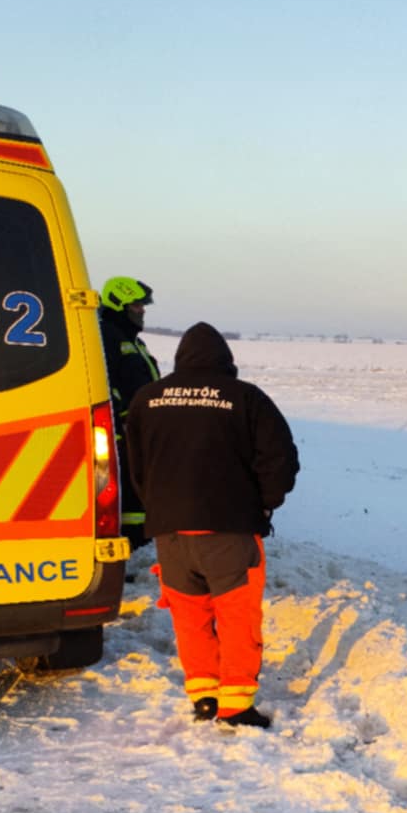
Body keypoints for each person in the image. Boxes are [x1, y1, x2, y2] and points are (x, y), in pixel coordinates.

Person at [126, 323, 299, 728]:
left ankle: (204, 696)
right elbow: (281, 459)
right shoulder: (245, 398)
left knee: (190, 618)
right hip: (229, 531)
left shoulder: (147, 398)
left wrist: (159, 506)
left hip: (170, 534)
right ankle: (235, 705)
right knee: (237, 618)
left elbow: (135, 462)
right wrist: (265, 506)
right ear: (227, 360)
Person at [97, 276, 163, 548]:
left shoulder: (134, 342)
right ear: (119, 305)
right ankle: (127, 546)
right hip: (122, 433)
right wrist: (122, 419)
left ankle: (136, 543)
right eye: (137, 306)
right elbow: (105, 384)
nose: (142, 311)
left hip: (141, 430)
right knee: (126, 496)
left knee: (139, 492)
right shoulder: (106, 337)